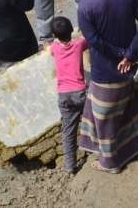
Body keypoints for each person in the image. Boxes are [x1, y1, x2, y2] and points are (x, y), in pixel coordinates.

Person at [76, 0, 138, 174]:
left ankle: (109, 162)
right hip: (131, 64)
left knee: (104, 116)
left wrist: (122, 54)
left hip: (106, 68)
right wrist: (131, 52)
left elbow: (94, 41)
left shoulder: (86, 5)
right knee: (129, 102)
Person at [49, 16, 89, 174]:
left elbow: (49, 48)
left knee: (68, 132)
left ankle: (70, 166)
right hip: (80, 92)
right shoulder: (79, 44)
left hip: (64, 96)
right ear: (72, 30)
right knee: (93, 122)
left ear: (54, 34)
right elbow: (88, 39)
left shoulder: (54, 48)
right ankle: (98, 151)